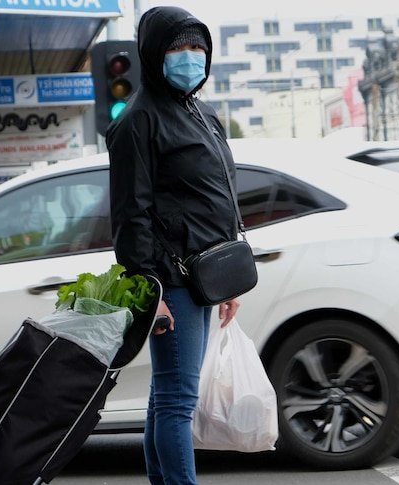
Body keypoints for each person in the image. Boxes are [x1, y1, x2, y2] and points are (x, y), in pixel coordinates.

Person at [105, 6, 240, 484]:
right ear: (153, 54)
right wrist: (151, 287)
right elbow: (130, 214)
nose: (191, 58)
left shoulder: (201, 113)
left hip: (204, 273)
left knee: (166, 396)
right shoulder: (137, 121)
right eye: (178, 48)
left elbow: (215, 193)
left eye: (198, 48)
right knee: (178, 399)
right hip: (170, 278)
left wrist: (227, 276)